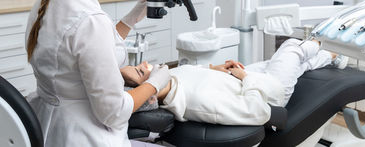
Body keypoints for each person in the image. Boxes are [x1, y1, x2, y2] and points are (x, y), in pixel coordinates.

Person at [25, 0, 171, 147]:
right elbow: (114, 111)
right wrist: (155, 81)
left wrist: (132, 18)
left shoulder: (45, 3)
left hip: (49, 130)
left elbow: (79, 54)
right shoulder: (89, 19)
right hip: (86, 137)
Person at [127, 39, 348, 126]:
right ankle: (327, 39)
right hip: (269, 89)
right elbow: (256, 111)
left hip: (238, 79)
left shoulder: (171, 79)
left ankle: (332, 58)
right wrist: (247, 78)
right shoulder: (197, 102)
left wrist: (217, 69)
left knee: (287, 63)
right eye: (141, 70)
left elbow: (194, 72)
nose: (146, 63)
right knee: (291, 47)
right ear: (151, 91)